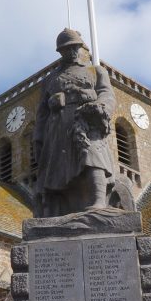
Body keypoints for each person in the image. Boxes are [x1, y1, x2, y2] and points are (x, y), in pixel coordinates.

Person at [33, 28, 116, 217]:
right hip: (58, 126)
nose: (70, 52)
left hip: (87, 121)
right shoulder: (50, 80)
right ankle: (56, 211)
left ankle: (99, 201)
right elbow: (42, 114)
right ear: (60, 52)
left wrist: (99, 107)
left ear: (80, 48)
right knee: (57, 168)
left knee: (94, 157)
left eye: (73, 47)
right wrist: (38, 139)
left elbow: (107, 95)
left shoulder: (96, 71)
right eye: (65, 49)